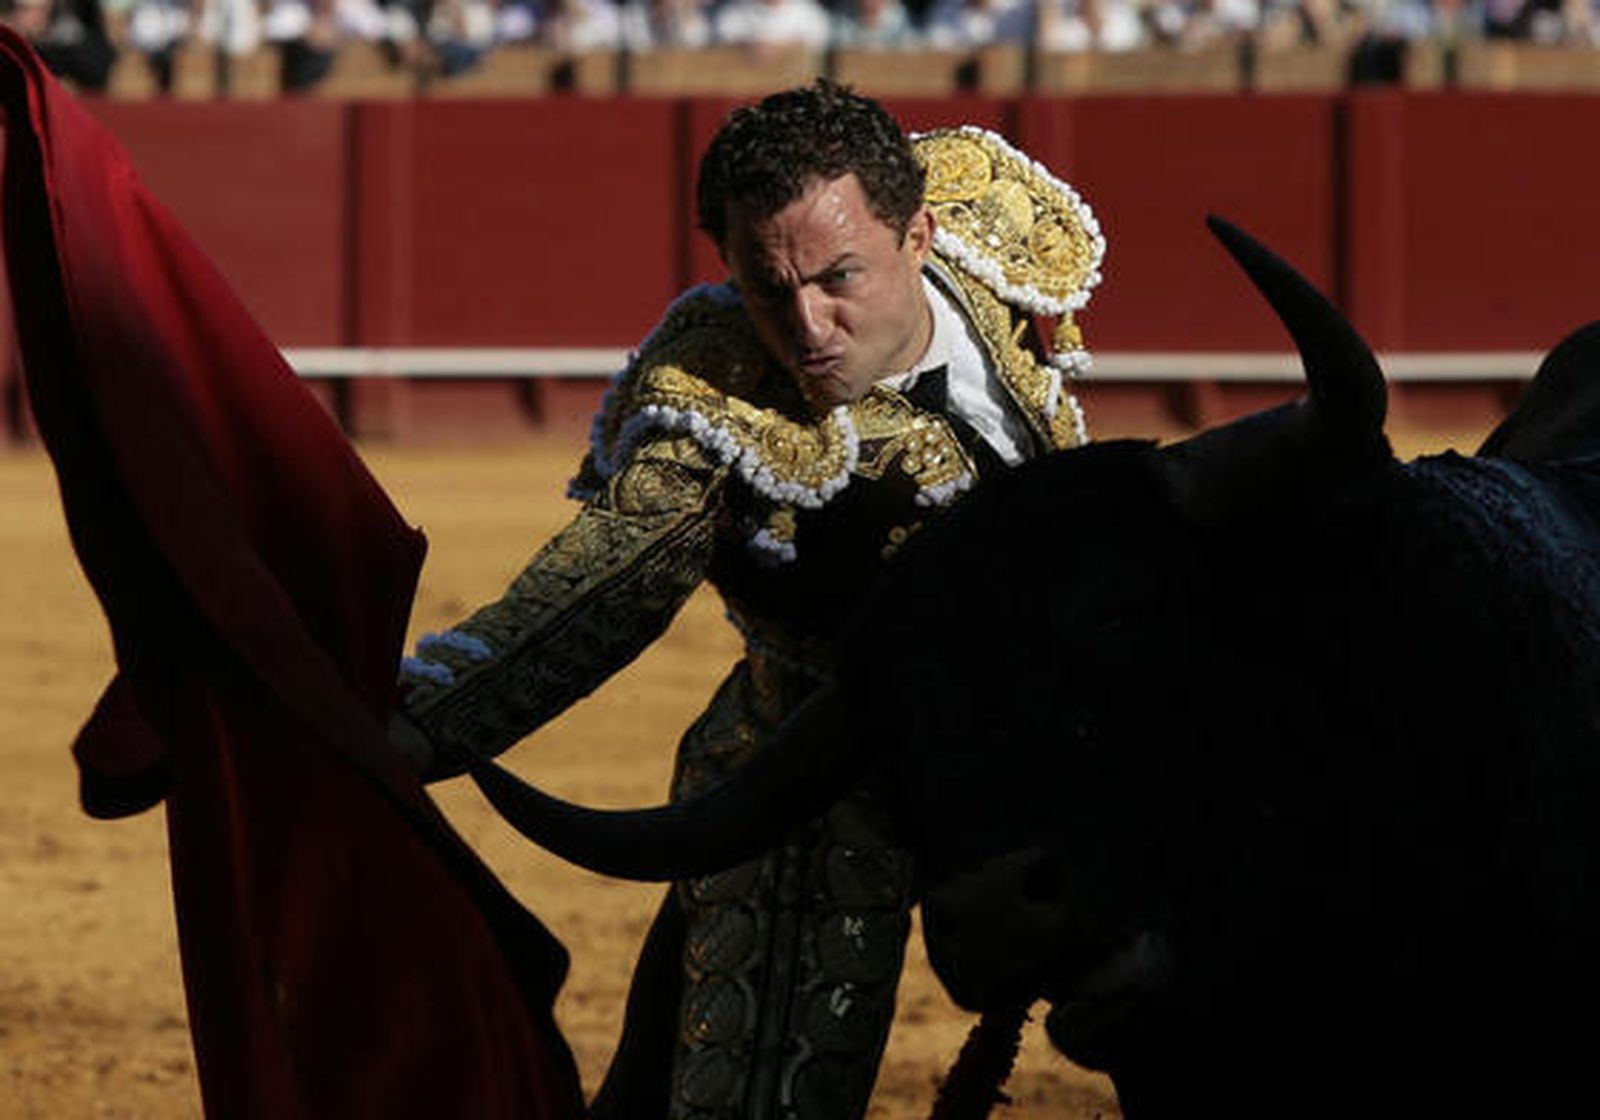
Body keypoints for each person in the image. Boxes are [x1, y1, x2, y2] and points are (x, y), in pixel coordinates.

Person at [392, 79, 1105, 1119]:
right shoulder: (711, 406)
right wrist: (414, 724)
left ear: (921, 233)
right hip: (820, 762)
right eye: (768, 289)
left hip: (1042, 733)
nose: (807, 326)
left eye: (837, 278)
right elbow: (597, 588)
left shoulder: (987, 235)